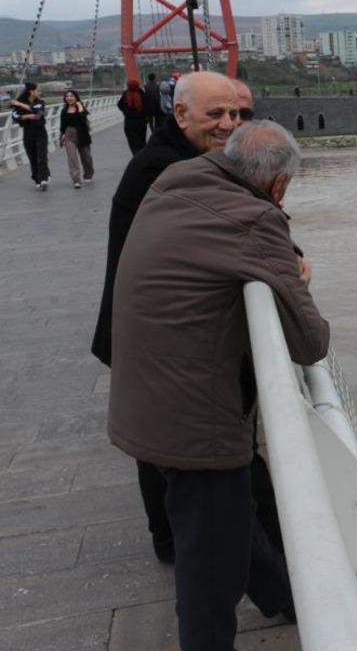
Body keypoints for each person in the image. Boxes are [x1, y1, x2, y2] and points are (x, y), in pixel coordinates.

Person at [109, 120, 324, 650]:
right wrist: (296, 276)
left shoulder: (178, 179)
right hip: (195, 423)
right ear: (279, 185)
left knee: (231, 521)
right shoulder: (254, 218)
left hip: (147, 396)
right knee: (209, 572)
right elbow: (311, 341)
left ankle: (286, 597)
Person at [93, 71, 241, 562]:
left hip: (143, 324)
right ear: (180, 114)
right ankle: (173, 542)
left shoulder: (176, 156)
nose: (228, 123)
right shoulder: (166, 168)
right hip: (148, 330)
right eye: (215, 113)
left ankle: (174, 539)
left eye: (235, 113)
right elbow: (225, 229)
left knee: (153, 439)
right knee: (157, 444)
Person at [10, 82, 51, 191]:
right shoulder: (19, 103)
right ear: (31, 91)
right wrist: (27, 116)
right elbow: (15, 116)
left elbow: (38, 113)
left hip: (40, 132)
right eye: (38, 90)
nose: (40, 92)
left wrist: (20, 105)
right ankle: (37, 178)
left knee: (42, 156)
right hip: (28, 132)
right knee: (32, 157)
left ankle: (43, 179)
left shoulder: (40, 102)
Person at [59, 90, 94, 188]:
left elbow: (83, 119)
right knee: (72, 158)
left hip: (82, 135)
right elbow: (62, 126)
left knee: (86, 157)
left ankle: (88, 174)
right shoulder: (64, 110)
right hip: (69, 135)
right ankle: (76, 180)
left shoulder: (81, 108)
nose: (69, 98)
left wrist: (79, 106)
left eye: (71, 96)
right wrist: (61, 136)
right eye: (67, 96)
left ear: (76, 97)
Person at [117, 79, 148, 155]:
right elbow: (147, 106)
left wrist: (125, 112)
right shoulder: (141, 93)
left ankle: (136, 156)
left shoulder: (126, 94)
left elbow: (119, 105)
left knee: (133, 143)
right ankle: (142, 156)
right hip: (141, 122)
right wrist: (145, 116)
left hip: (129, 122)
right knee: (142, 142)